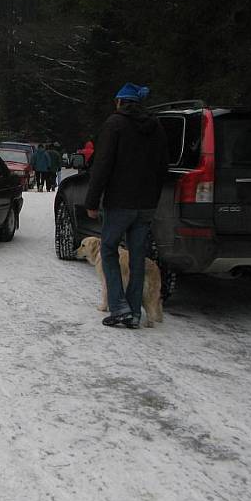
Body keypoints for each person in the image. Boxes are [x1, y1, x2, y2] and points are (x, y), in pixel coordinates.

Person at [84, 82, 169, 329]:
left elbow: (103, 164)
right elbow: (163, 166)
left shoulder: (115, 124)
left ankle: (119, 307)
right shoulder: (156, 127)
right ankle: (133, 311)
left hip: (120, 202)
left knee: (108, 250)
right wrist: (152, 196)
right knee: (137, 256)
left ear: (120, 102)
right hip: (146, 205)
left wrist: (92, 200)